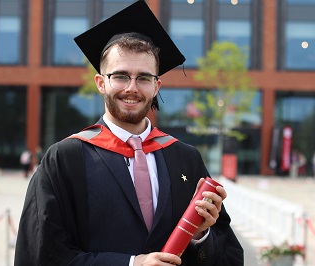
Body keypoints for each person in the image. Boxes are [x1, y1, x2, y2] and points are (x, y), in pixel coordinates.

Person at [14, 1, 243, 265]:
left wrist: (201, 234)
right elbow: (42, 254)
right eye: (120, 76)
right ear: (101, 83)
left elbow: (228, 257)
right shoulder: (64, 159)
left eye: (144, 78)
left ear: (157, 86)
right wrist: (132, 264)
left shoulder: (186, 158)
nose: (132, 88)